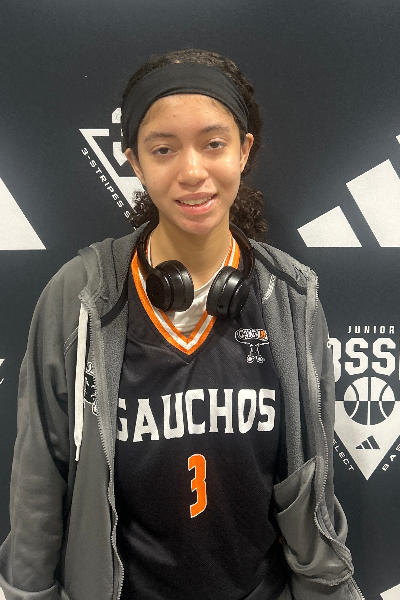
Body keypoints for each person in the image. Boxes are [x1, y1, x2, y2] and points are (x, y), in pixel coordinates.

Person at [0, 49, 363, 600]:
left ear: (244, 151)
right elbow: (38, 478)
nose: (192, 172)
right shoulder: (80, 297)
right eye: (163, 149)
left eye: (214, 144)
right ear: (134, 162)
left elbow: (314, 483)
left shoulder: (289, 296)